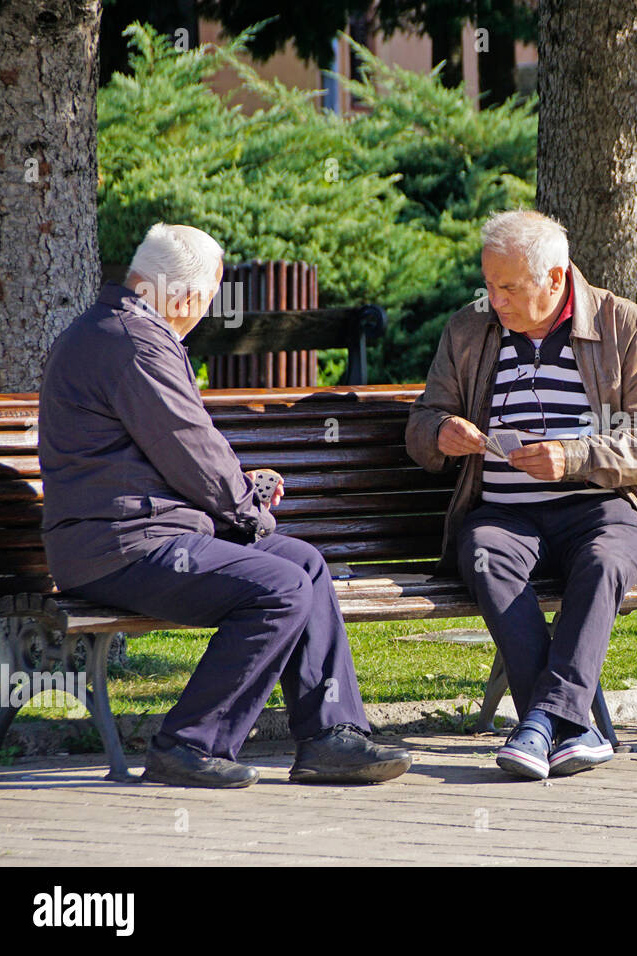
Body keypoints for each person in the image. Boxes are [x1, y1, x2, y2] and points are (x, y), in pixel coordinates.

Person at [38, 223, 411, 789]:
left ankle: (330, 739)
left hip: (143, 533)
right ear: (185, 296)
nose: (203, 315)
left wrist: (242, 487)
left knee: (304, 563)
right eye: (206, 303)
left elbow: (173, 451)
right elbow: (189, 450)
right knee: (281, 588)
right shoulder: (135, 342)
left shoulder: (119, 330)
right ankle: (188, 744)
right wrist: (249, 509)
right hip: (120, 547)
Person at [405, 209, 637, 780]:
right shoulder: (470, 328)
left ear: (556, 279)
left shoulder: (627, 327)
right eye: (488, 283)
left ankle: (540, 723)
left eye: (509, 287)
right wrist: (441, 432)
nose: (495, 299)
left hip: (606, 507)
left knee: (604, 561)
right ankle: (571, 727)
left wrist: (574, 456)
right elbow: (422, 422)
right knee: (482, 553)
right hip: (504, 513)